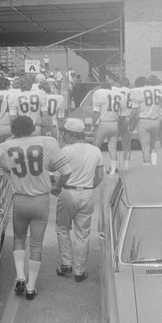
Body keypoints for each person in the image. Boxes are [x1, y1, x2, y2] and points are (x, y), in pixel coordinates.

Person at [0, 115, 71, 301]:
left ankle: (20, 276)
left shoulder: (3, 147)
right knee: (36, 244)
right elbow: (66, 171)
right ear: (32, 128)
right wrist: (57, 186)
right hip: (40, 199)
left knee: (19, 239)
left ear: (13, 131)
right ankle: (31, 288)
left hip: (20, 199)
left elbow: (4, 170)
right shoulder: (47, 142)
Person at [52, 118, 104, 282]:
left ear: (72, 135)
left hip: (68, 191)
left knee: (62, 228)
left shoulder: (66, 150)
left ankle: (66, 263)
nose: (64, 136)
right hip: (87, 193)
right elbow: (100, 176)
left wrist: (57, 187)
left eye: (65, 133)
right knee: (83, 234)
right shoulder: (96, 150)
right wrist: (88, 186)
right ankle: (80, 271)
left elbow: (57, 172)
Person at [128, 76, 162, 165]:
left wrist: (130, 123)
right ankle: (153, 166)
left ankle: (147, 168)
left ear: (138, 85)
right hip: (156, 121)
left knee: (145, 147)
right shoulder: (159, 90)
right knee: (152, 145)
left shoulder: (137, 91)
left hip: (144, 121)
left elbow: (134, 111)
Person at [91, 82, 122, 175]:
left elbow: (96, 112)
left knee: (96, 147)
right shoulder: (118, 94)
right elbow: (121, 114)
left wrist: (93, 124)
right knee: (113, 148)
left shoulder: (99, 93)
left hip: (104, 123)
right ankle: (113, 170)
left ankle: (100, 169)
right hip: (114, 123)